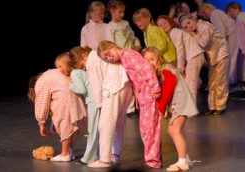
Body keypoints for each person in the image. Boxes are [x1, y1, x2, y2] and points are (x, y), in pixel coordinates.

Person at [97, 41, 162, 169]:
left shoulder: (129, 55)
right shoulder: (125, 59)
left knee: (149, 131)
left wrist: (155, 88)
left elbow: (146, 68)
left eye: (108, 54)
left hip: (149, 95)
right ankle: (153, 160)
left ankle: (153, 161)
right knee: (146, 130)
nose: (109, 58)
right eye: (106, 58)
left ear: (113, 46)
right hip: (143, 97)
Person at [142, 46, 198, 171]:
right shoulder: (162, 70)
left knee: (174, 130)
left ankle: (182, 162)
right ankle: (185, 158)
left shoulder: (166, 69)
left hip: (181, 103)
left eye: (152, 59)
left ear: (159, 58)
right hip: (179, 103)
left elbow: (168, 88)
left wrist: (161, 110)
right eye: (147, 61)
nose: (150, 63)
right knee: (172, 130)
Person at [30, 53, 87, 161]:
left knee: (64, 124)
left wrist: (41, 122)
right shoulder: (52, 72)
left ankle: (64, 154)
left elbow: (42, 102)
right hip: (75, 96)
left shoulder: (41, 82)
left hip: (64, 98)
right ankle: (70, 151)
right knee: (71, 124)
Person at [179, 14, 229, 115]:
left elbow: (204, 42)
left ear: (193, 19)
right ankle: (213, 106)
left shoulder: (205, 26)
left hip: (221, 55)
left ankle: (220, 106)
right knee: (212, 82)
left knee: (220, 81)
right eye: (186, 27)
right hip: (213, 58)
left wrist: (193, 34)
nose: (189, 27)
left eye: (188, 23)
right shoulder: (198, 29)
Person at [198, 3, 245, 93]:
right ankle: (240, 84)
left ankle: (231, 84)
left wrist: (221, 46)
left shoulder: (214, 14)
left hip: (233, 35)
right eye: (203, 15)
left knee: (230, 59)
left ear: (208, 8)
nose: (205, 16)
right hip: (237, 34)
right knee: (239, 60)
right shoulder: (219, 12)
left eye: (204, 12)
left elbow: (221, 31)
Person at [156, 15, 205, 102]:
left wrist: (180, 66)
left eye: (164, 23)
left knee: (190, 83)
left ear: (169, 22)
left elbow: (179, 48)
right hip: (194, 55)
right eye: (160, 25)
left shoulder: (174, 32)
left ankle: (190, 108)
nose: (163, 26)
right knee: (189, 81)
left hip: (194, 55)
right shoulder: (174, 32)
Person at [107, 0, 140, 116]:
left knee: (133, 80)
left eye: (123, 12)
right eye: (119, 12)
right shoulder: (110, 26)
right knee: (125, 82)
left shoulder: (125, 23)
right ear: (111, 10)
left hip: (130, 54)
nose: (122, 14)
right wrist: (118, 54)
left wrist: (136, 45)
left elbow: (132, 36)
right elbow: (111, 42)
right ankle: (127, 108)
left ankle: (133, 106)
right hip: (121, 56)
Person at [68, 46, 98, 164]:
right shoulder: (85, 70)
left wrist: (70, 86)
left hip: (93, 101)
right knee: (97, 129)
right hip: (96, 100)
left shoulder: (75, 73)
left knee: (93, 130)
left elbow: (81, 90)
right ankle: (98, 155)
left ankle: (88, 158)